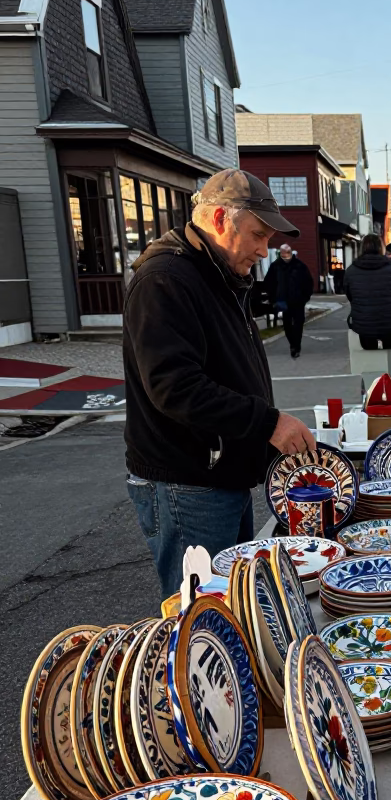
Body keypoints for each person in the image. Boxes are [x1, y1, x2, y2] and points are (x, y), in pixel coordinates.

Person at [123, 169, 316, 599]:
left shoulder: (218, 275)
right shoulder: (166, 280)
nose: (263, 250)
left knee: (233, 609)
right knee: (204, 618)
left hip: (218, 477)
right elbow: (175, 387)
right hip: (187, 484)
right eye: (256, 235)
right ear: (217, 220)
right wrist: (267, 422)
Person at [344, 233, 391, 349]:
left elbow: (350, 295)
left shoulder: (351, 270)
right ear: (381, 248)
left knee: (370, 359)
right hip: (388, 322)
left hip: (363, 324)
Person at [263, 243, 314, 358]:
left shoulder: (300, 266)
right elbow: (269, 283)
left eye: (287, 252)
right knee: (287, 325)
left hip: (298, 301)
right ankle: (293, 344)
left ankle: (296, 346)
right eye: (282, 253)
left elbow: (308, 282)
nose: (285, 255)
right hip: (283, 301)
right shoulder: (276, 266)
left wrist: (305, 297)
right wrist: (273, 298)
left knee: (298, 324)